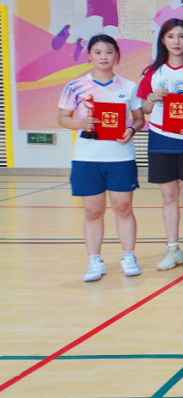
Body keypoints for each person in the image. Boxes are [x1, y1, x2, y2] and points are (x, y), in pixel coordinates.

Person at [58, 35, 145, 282]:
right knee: (92, 211)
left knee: (123, 207)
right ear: (89, 55)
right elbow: (62, 118)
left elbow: (139, 118)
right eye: (98, 52)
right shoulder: (75, 86)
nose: (104, 57)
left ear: (117, 55)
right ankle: (94, 260)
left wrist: (131, 130)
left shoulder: (129, 87)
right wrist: (80, 123)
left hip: (120, 158)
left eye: (109, 52)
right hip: (87, 158)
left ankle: (128, 256)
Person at [137, 19, 183, 272]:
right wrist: (152, 98)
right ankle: (173, 248)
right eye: (171, 36)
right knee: (168, 197)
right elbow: (144, 108)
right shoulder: (152, 72)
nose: (176, 41)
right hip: (160, 138)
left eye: (181, 36)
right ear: (163, 40)